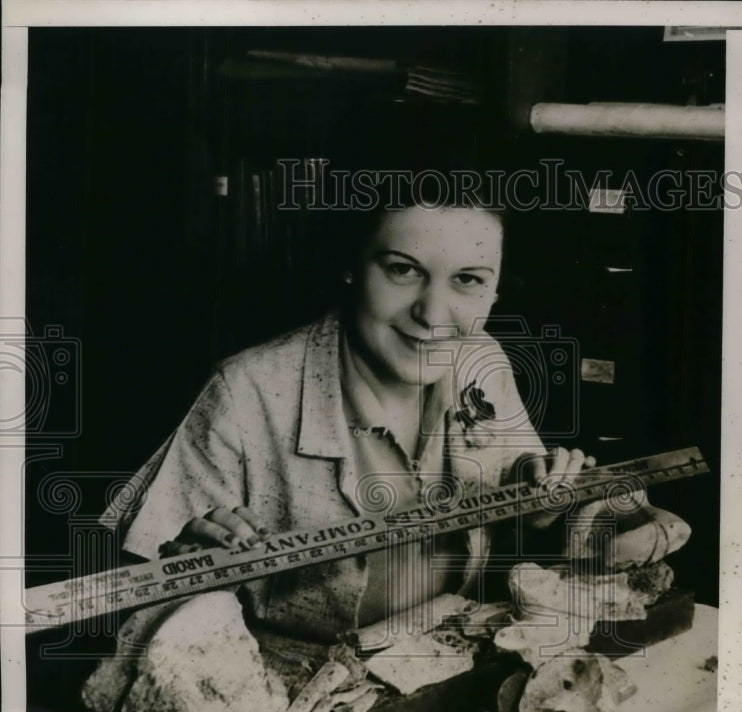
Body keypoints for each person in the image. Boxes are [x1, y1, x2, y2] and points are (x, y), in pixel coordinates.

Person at [105, 190, 596, 645]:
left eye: (468, 280)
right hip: (296, 682)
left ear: (494, 290)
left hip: (441, 655)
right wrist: (188, 565)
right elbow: (131, 600)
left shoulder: (480, 361)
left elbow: (516, 510)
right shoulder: (246, 390)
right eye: (403, 271)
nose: (434, 313)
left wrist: (538, 506)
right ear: (351, 268)